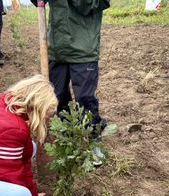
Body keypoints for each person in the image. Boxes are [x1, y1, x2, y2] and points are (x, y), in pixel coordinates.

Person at [31, 0, 111, 144]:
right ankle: (66, 135)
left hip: (83, 49)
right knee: (57, 97)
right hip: (57, 48)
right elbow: (38, 2)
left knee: (85, 99)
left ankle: (92, 139)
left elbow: (95, 4)